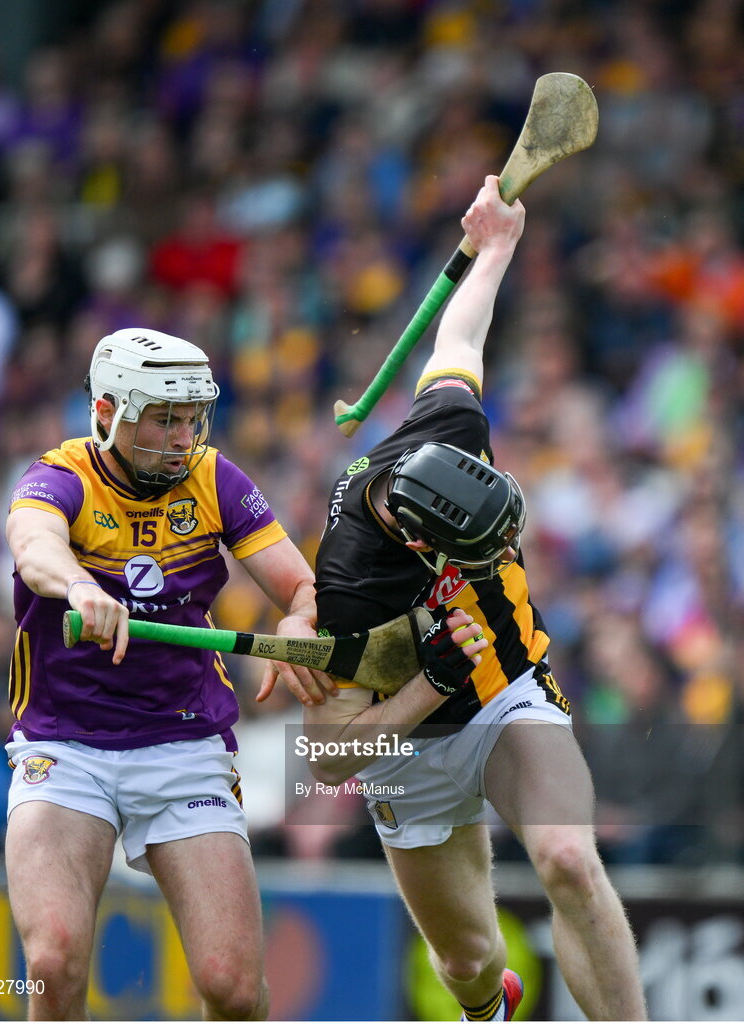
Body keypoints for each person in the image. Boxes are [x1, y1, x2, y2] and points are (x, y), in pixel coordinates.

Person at [266, 177, 648, 1021]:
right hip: (407, 742)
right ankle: (489, 1008)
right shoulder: (350, 589)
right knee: (467, 960)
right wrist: (426, 684)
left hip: (508, 694)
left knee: (567, 862)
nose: (502, 557)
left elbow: (458, 338)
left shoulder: (450, 432)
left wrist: (495, 247)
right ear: (416, 541)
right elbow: (329, 759)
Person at [4, 327, 331, 1021]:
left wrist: (300, 619)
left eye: (190, 419)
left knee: (232, 989)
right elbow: (34, 548)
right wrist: (78, 587)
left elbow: (299, 588)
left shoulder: (213, 478)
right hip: (66, 748)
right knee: (52, 960)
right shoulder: (56, 478)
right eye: (163, 420)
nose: (183, 438)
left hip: (183, 745)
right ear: (105, 415)